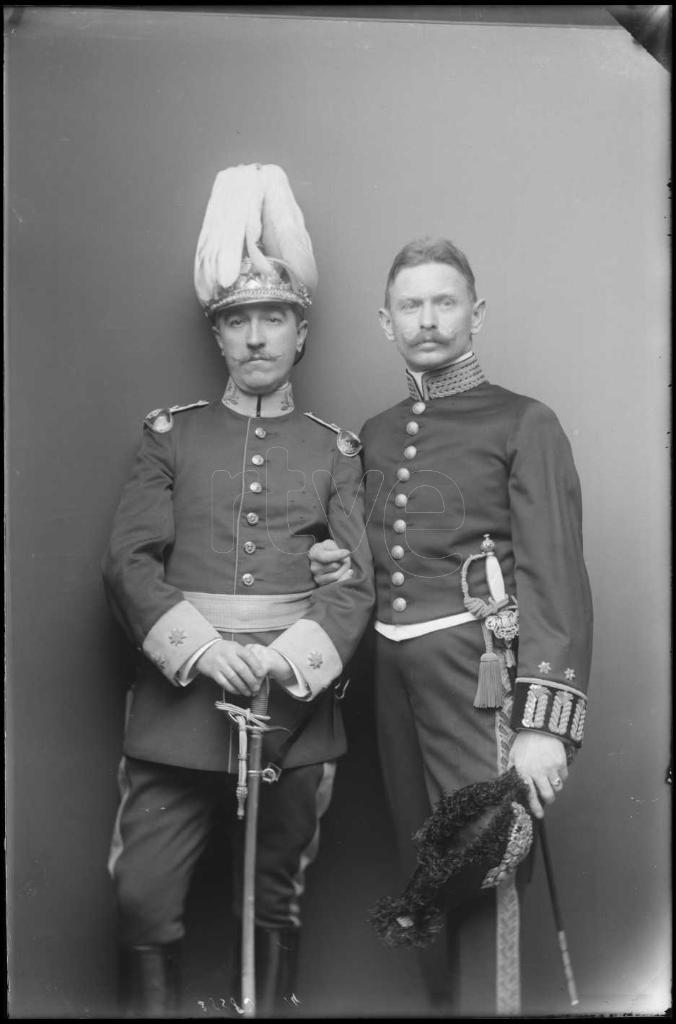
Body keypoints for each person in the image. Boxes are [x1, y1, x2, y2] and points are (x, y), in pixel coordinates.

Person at [102, 163, 374, 1018]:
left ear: (301, 332)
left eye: (274, 319)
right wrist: (206, 651)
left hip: (291, 716)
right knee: (142, 895)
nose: (256, 337)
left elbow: (354, 580)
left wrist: (286, 662)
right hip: (179, 710)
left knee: (276, 898)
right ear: (218, 337)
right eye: (238, 322)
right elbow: (128, 563)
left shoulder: (336, 452)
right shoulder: (168, 438)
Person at [310, 236, 593, 1016]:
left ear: (476, 313)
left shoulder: (525, 422)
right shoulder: (373, 431)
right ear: (384, 321)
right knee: (426, 866)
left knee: (484, 854)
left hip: (479, 677)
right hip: (392, 681)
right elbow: (371, 559)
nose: (427, 320)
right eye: (411, 305)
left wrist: (543, 725)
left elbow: (556, 577)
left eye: (444, 302)